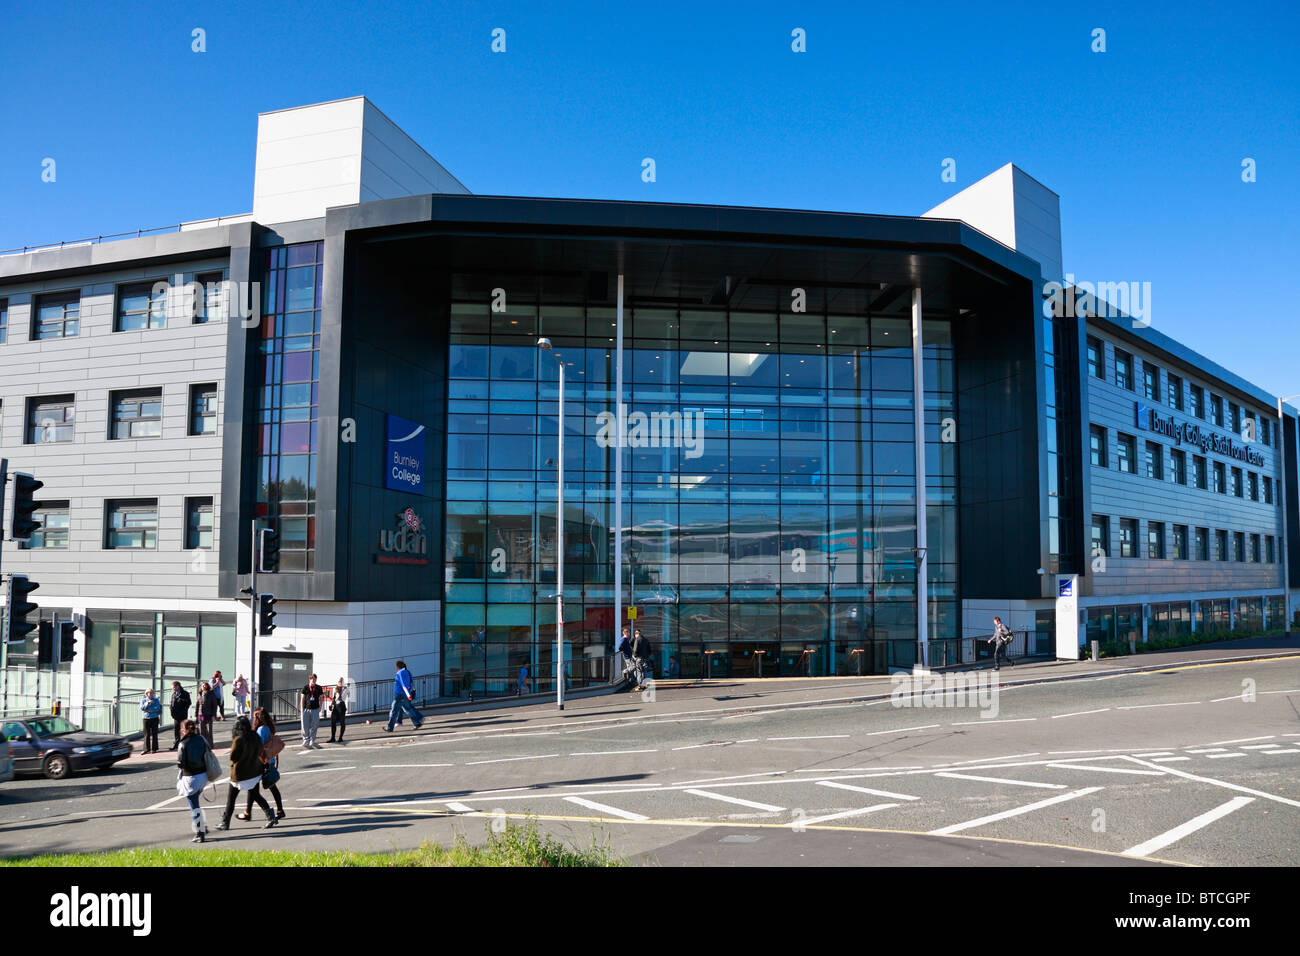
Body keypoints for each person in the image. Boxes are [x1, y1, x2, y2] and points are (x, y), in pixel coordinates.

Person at [215, 716, 277, 831]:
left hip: (240, 774)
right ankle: (270, 816)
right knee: (256, 796)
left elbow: (233, 757)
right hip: (254, 772)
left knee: (231, 799)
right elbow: (260, 751)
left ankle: (225, 822)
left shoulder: (238, 740)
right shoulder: (255, 736)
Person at [238, 708, 285, 821]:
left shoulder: (260, 730)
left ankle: (248, 812)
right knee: (272, 787)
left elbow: (257, 747)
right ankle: (280, 810)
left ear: (257, 718)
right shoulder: (269, 728)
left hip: (262, 762)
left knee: (253, 787)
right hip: (271, 760)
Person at [175, 719, 212, 843]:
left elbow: (181, 763)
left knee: (193, 805)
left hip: (190, 777)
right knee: (196, 800)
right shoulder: (201, 739)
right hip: (203, 775)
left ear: (182, 730)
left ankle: (200, 832)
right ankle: (202, 826)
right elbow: (208, 752)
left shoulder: (182, 744)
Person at [384, 660, 424, 732]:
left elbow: (403, 685)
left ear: (397, 666)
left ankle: (390, 727)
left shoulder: (400, 673)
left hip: (400, 695)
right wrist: (408, 694)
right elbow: (409, 683)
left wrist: (409, 695)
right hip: (404, 694)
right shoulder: (406, 672)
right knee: (408, 709)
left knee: (394, 711)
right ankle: (417, 722)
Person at [300, 674, 325, 749]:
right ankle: (305, 740)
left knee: (315, 725)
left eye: (315, 680)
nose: (314, 681)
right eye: (312, 679)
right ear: (310, 679)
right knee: (305, 726)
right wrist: (302, 709)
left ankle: (312, 740)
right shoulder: (305, 687)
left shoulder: (319, 688)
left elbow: (321, 698)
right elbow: (302, 699)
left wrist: (320, 707)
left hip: (315, 709)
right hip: (306, 709)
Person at [169, 681, 192, 751]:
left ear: (177, 686)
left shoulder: (185, 693)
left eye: (174, 687)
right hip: (175, 716)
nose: (173, 688)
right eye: (172, 687)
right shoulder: (173, 694)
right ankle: (176, 744)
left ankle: (184, 744)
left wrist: (183, 711)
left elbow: (188, 703)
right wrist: (171, 711)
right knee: (176, 730)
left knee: (183, 729)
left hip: (182, 715)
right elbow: (172, 704)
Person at [138, 688, 162, 754]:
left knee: (154, 733)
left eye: (152, 692)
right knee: (146, 734)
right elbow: (142, 708)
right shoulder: (143, 700)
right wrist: (147, 703)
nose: (151, 694)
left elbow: (158, 708)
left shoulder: (156, 700)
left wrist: (149, 711)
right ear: (146, 694)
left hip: (154, 718)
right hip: (146, 719)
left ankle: (154, 749)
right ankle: (146, 749)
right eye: (150, 693)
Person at [327, 677, 348, 743]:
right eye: (339, 681)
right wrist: (331, 705)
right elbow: (334, 698)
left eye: (341, 682)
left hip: (341, 706)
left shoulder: (345, 689)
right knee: (333, 722)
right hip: (336, 707)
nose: (340, 683)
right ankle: (333, 737)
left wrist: (340, 694)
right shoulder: (336, 689)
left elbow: (343, 698)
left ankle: (340, 737)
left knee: (342, 722)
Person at [196, 681, 217, 746]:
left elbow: (214, 705)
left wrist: (214, 715)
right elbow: (197, 704)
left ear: (207, 686)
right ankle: (203, 743)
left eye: (205, 685)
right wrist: (196, 714)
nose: (204, 687)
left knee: (209, 729)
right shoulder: (199, 694)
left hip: (209, 714)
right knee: (202, 729)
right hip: (201, 714)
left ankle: (210, 744)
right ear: (201, 687)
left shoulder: (211, 694)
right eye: (203, 686)